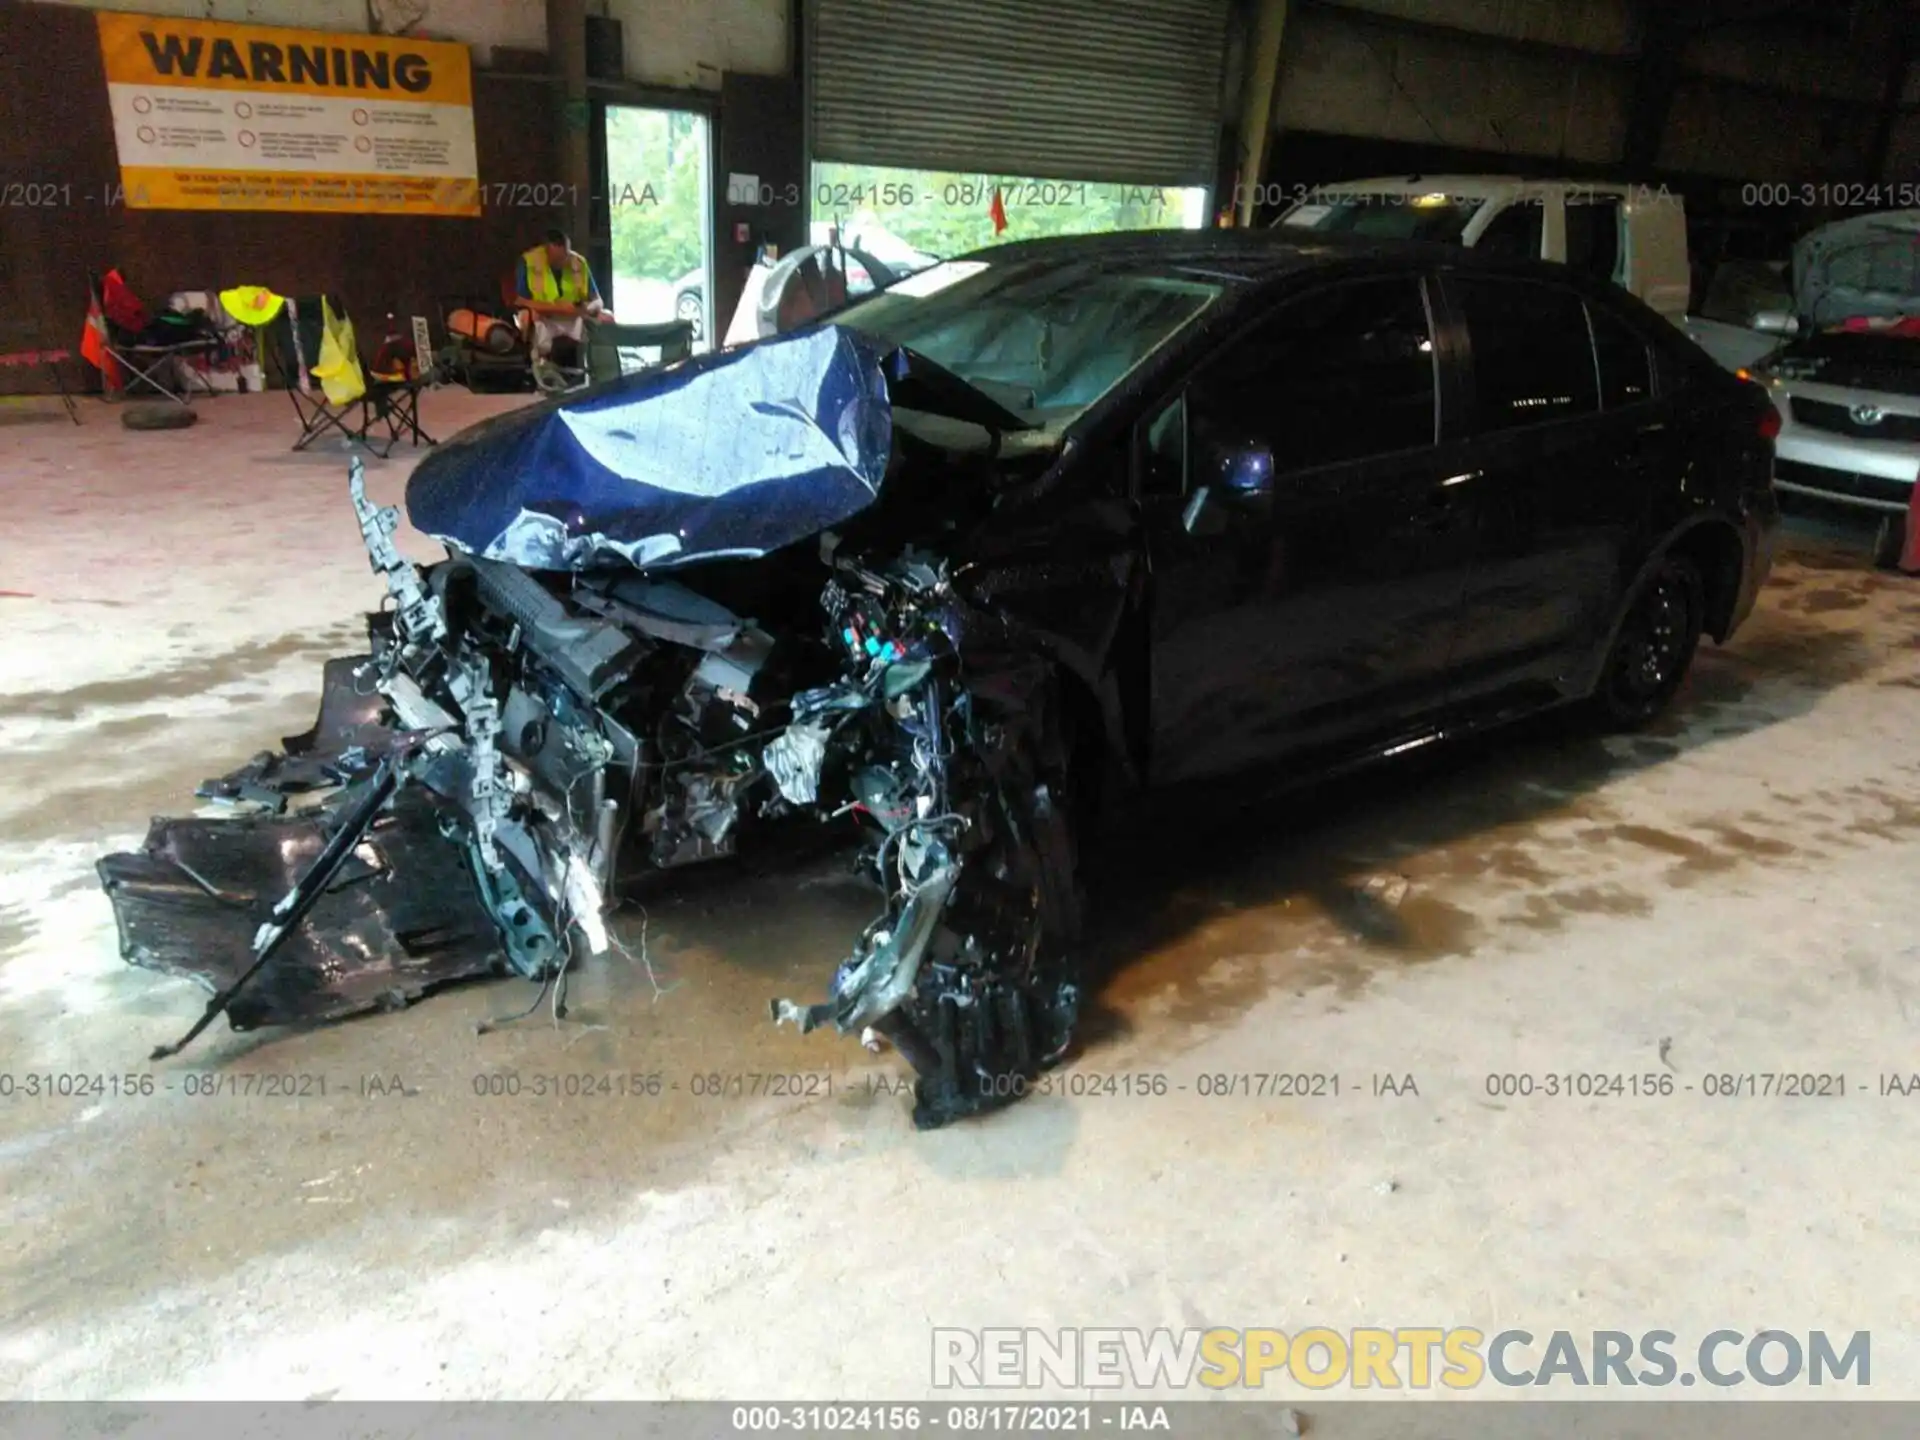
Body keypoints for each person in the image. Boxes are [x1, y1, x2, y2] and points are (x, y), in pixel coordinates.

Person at [515, 228, 613, 385]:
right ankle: (540, 371)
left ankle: (604, 373)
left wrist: (588, 309)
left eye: (565, 256)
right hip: (545, 316)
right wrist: (555, 309)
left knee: (607, 316)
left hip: (574, 316)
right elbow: (520, 301)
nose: (562, 261)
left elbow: (598, 300)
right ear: (546, 251)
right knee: (527, 317)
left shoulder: (578, 262)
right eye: (557, 258)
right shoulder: (529, 261)